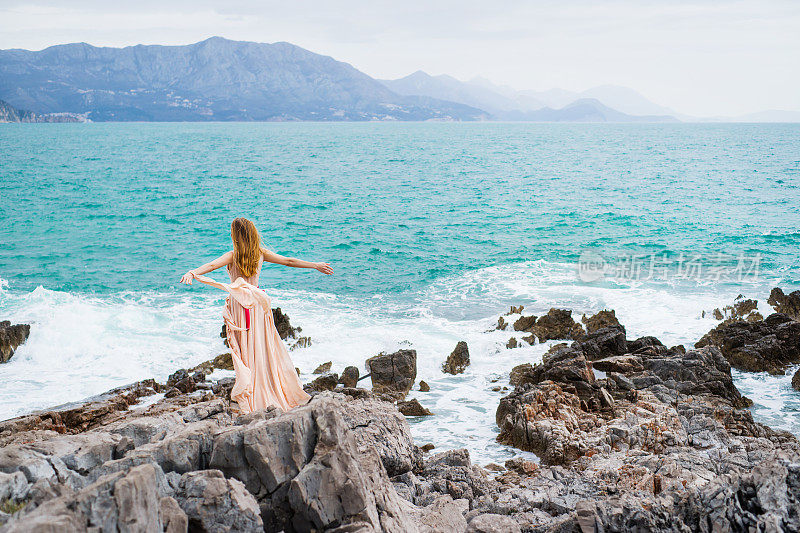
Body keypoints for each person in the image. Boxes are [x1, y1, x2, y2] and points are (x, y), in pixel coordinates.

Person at [179, 217, 333, 413]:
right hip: (257, 305)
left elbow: (210, 266)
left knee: (244, 351)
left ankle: (250, 391)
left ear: (235, 236)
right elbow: (289, 261)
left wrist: (192, 273)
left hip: (239, 305)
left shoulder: (232, 255)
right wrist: (315, 265)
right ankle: (262, 387)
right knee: (260, 349)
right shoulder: (260, 254)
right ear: (252, 233)